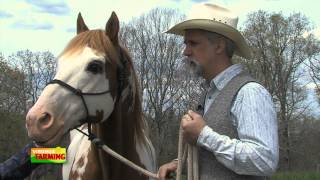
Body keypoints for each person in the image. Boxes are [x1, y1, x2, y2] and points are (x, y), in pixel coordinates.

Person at [158, 3, 279, 180]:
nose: (185, 52)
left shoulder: (249, 92)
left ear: (219, 46)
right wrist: (179, 163)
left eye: (193, 43)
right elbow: (211, 153)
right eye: (186, 43)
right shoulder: (208, 95)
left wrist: (204, 135)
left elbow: (264, 160)